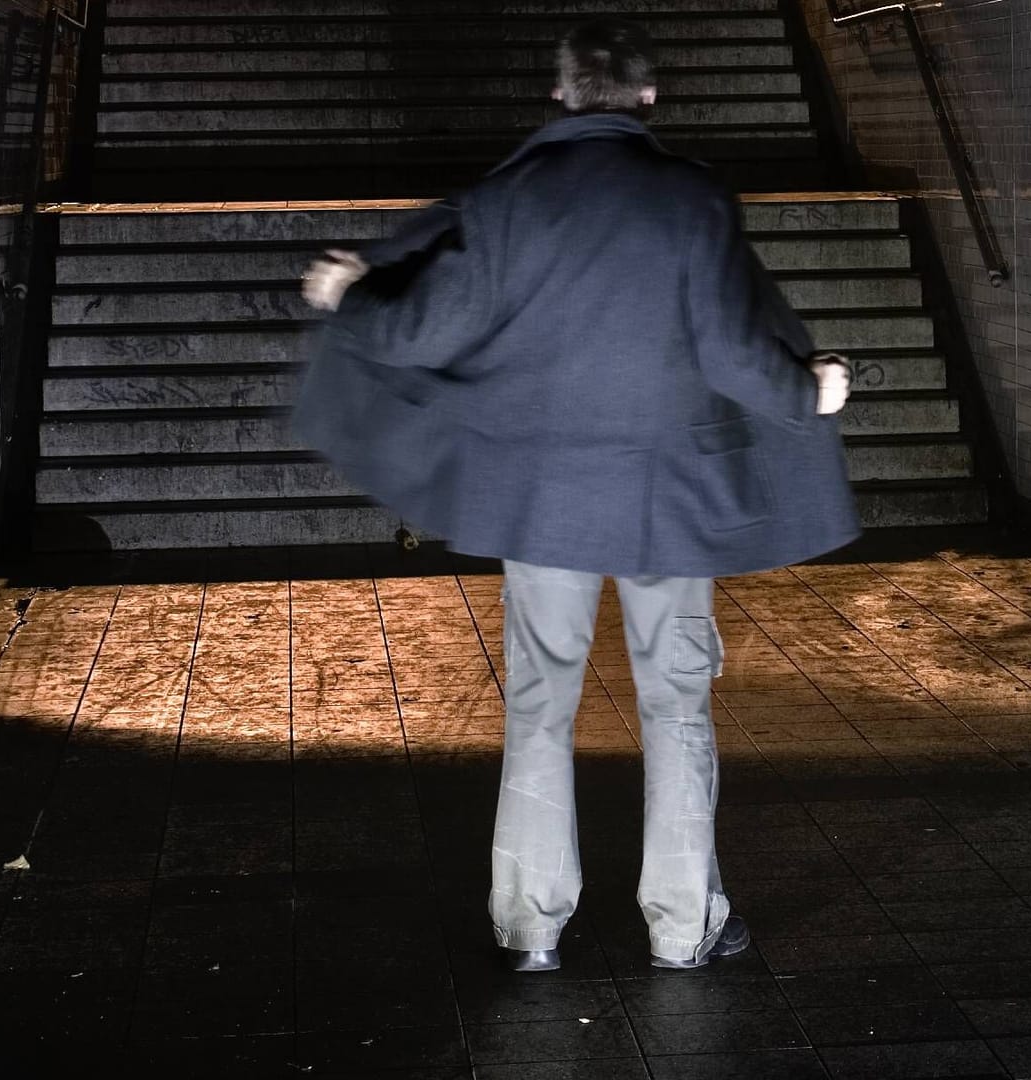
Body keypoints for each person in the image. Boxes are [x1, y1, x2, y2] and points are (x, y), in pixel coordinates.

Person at [295, 18, 859, 972]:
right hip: (670, 503)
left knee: (538, 703)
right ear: (648, 98)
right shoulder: (691, 199)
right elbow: (729, 350)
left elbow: (432, 326)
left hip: (543, 498)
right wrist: (811, 389)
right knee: (676, 705)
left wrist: (353, 294)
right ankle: (686, 929)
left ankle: (530, 930)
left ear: (558, 96)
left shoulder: (512, 198)